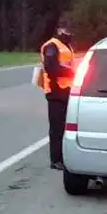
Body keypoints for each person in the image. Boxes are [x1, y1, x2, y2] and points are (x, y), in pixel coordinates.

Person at [39, 22, 76, 170]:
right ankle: (56, 160)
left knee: (66, 127)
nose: (69, 34)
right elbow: (51, 67)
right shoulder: (52, 46)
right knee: (57, 127)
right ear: (59, 30)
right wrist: (72, 72)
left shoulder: (65, 45)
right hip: (55, 91)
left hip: (67, 90)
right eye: (67, 31)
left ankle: (63, 156)